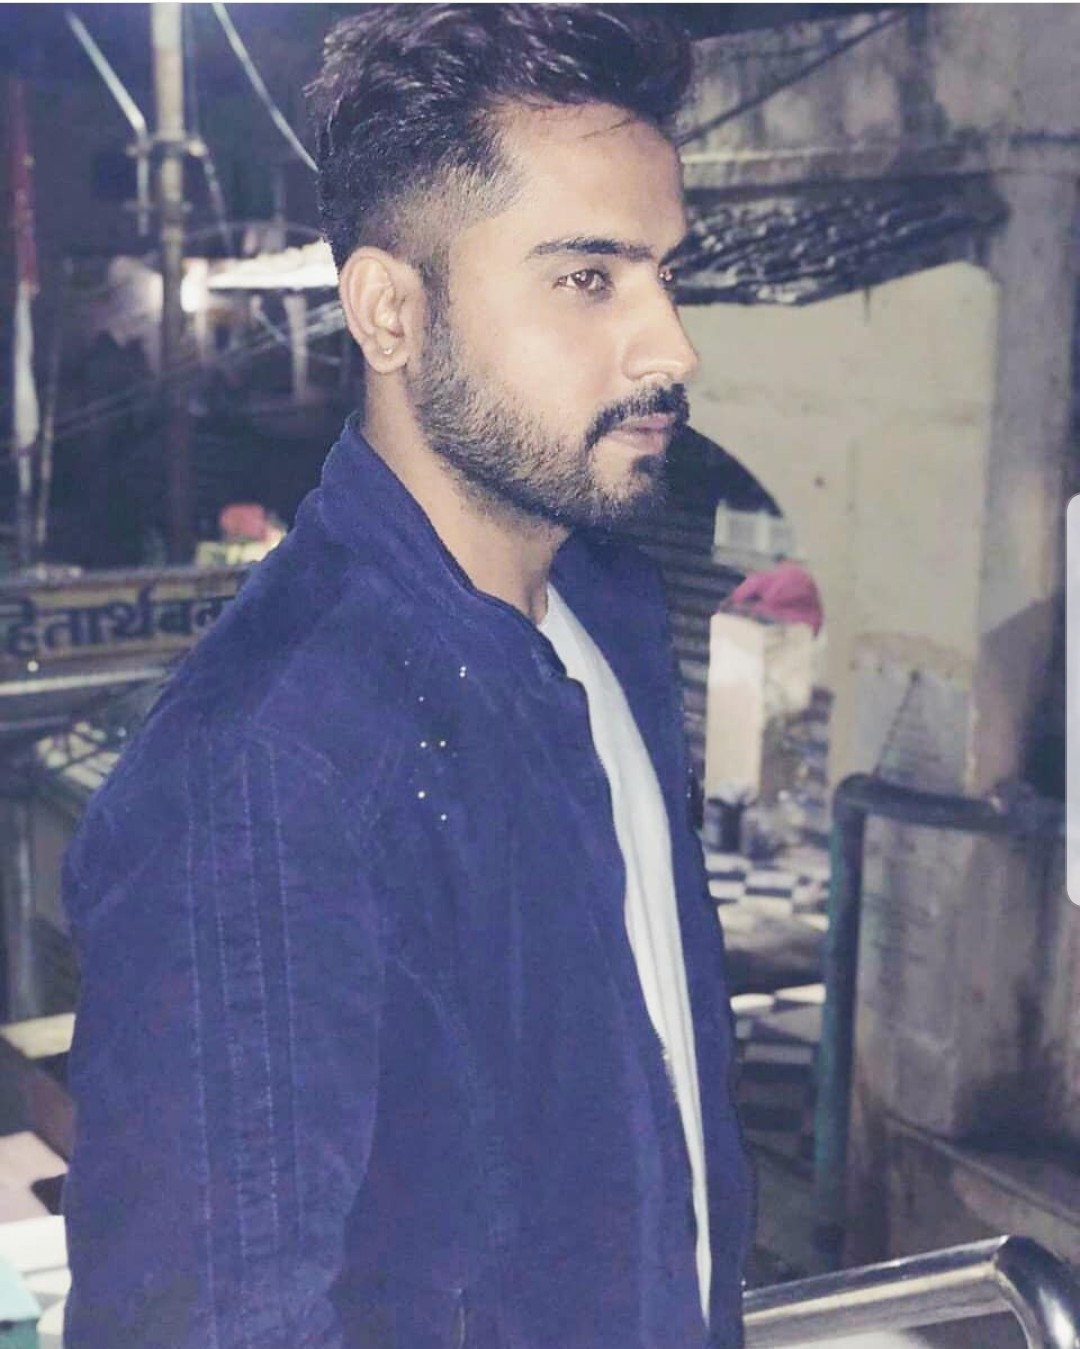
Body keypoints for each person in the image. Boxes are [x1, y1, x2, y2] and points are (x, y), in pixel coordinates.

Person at [61, 7, 752, 1346]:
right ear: (390, 310)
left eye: (665, 274)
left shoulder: (606, 612)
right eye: (588, 278)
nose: (671, 347)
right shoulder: (267, 773)